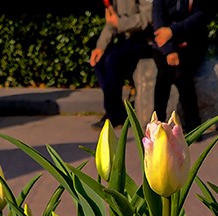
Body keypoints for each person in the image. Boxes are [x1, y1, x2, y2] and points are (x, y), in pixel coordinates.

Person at [89, 0, 154, 128]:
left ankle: (114, 115)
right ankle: (115, 111)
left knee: (112, 60)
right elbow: (111, 23)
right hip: (128, 39)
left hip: (146, 39)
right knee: (99, 62)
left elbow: (148, 16)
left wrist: (121, 23)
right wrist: (100, 47)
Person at [152, 0, 207, 130]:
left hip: (191, 43)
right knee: (163, 74)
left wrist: (173, 31)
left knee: (183, 75)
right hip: (164, 46)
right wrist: (170, 51)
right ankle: (157, 123)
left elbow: (200, 17)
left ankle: (193, 125)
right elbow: (159, 26)